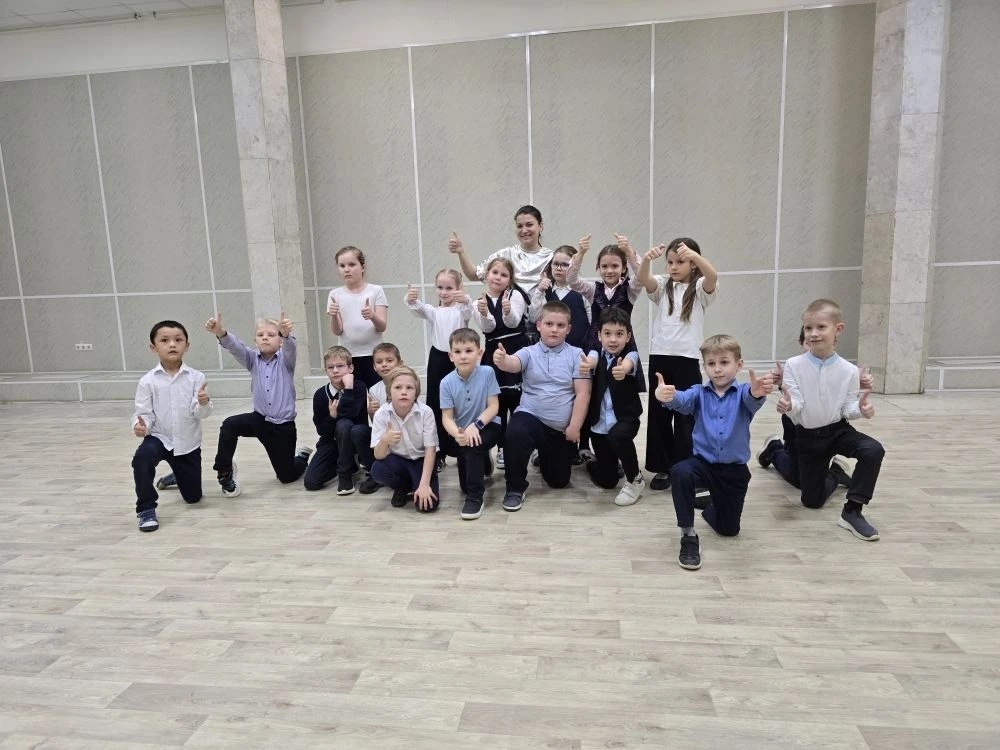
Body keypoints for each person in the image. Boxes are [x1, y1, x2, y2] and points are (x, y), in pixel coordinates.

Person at [655, 335, 773, 570]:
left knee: (729, 530)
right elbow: (681, 400)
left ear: (739, 364)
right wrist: (667, 397)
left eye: (724, 362)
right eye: (711, 363)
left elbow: (752, 399)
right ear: (704, 367)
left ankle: (711, 505)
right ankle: (688, 535)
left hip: (734, 471)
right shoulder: (698, 393)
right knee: (680, 472)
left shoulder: (744, 394)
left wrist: (758, 393)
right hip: (703, 465)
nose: (717, 369)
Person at [775, 299, 884, 541]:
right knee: (811, 502)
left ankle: (852, 510)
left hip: (838, 431)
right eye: (808, 328)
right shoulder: (794, 365)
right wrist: (789, 406)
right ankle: (835, 473)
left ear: (838, 329)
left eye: (821, 327)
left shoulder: (848, 370)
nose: (813, 333)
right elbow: (797, 404)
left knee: (873, 449)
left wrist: (861, 409)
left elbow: (847, 409)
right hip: (808, 438)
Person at [492, 300, 592, 512]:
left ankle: (542, 454)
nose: (554, 329)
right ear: (539, 325)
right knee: (515, 432)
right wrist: (502, 360)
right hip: (531, 415)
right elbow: (512, 363)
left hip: (559, 429)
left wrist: (575, 427)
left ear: (568, 329)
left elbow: (583, 393)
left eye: (560, 325)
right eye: (549, 324)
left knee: (558, 481)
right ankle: (515, 488)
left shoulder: (577, 355)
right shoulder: (528, 352)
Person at [637, 238, 719, 491]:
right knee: (659, 413)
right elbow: (643, 279)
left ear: (692, 264)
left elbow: (712, 275)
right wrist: (647, 260)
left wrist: (695, 256)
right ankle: (662, 467)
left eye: (680, 262)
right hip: (660, 356)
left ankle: (684, 467)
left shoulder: (700, 288)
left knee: (686, 415)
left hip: (688, 358)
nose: (673, 266)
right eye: (670, 262)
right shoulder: (663, 285)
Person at [206, 311, 312, 496]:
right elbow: (236, 347)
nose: (265, 338)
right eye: (260, 335)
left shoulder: (286, 360)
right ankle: (224, 470)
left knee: (286, 477)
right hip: (260, 420)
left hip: (283, 427)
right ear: (255, 341)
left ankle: (301, 457)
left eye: (271, 335)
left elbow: (290, 347)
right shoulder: (252, 359)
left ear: (279, 341)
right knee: (229, 425)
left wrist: (285, 334)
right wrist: (220, 332)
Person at [757, 327, 872, 493]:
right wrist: (782, 383)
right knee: (799, 481)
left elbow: (842, 397)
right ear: (801, 343)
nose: (814, 345)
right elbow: (794, 398)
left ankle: (832, 470)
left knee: (810, 481)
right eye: (808, 342)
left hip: (824, 433)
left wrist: (859, 383)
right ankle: (775, 448)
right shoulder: (795, 366)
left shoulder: (841, 368)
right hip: (797, 430)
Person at [566, 233, 645, 463]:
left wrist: (629, 250)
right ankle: (586, 445)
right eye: (604, 266)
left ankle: (618, 444)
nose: (609, 270)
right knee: (591, 393)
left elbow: (642, 275)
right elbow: (572, 280)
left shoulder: (630, 289)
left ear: (623, 268)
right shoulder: (593, 289)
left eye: (615, 266)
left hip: (623, 347)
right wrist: (580, 253)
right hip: (594, 345)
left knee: (619, 393)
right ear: (598, 268)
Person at [131, 320, 212, 532]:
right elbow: (143, 414)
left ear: (187, 345)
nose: (172, 344)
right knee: (141, 458)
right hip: (159, 438)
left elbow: (200, 414)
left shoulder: (196, 377)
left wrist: (203, 403)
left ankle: (177, 474)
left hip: (187, 443)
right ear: (153, 347)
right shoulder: (147, 381)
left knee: (193, 498)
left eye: (178, 340)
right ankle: (146, 509)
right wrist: (140, 426)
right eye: (165, 340)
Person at [405, 269, 472, 470]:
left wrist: (466, 299)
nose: (444, 292)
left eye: (449, 288)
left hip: (458, 359)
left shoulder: (462, 309)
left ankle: (464, 448)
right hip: (438, 359)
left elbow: (469, 309)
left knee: (461, 404)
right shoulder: (433, 311)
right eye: (440, 287)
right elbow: (418, 308)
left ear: (459, 288)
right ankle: (438, 452)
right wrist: (411, 299)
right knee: (436, 404)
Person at [579, 308, 646, 507]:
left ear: (628, 336)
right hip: (599, 427)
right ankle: (593, 462)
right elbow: (591, 360)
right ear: (599, 335)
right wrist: (588, 364)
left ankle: (635, 479)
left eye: (619, 334)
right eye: (607, 333)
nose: (613, 339)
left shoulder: (631, 355)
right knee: (607, 482)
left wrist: (622, 369)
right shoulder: (595, 353)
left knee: (619, 435)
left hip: (625, 419)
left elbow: (628, 363)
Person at [470, 256, 530, 471]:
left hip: (516, 349)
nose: (498, 277)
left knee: (518, 399)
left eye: (504, 275)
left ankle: (520, 445)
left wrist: (507, 310)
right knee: (498, 401)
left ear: (510, 279)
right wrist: (484, 313)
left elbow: (513, 322)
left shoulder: (516, 295)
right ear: (487, 274)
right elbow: (488, 328)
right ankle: (502, 447)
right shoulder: (477, 302)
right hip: (493, 352)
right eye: (494, 272)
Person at [439, 328, 502, 520]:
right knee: (464, 485)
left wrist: (477, 425)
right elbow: (447, 418)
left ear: (479, 353)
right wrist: (457, 434)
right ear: (451, 356)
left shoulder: (488, 372)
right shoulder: (446, 383)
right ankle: (482, 461)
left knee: (473, 445)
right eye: (457, 352)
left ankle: (475, 498)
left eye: (468, 350)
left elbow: (494, 407)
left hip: (488, 424)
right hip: (464, 432)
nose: (463, 356)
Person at [304, 346, 373, 495]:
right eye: (330, 367)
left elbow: (351, 415)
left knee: (344, 424)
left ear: (350, 368)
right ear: (326, 370)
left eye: (340, 366)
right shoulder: (320, 395)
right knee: (311, 482)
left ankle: (345, 476)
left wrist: (348, 389)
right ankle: (349, 464)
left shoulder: (359, 387)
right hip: (332, 443)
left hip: (356, 439)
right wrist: (332, 417)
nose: (335, 370)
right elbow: (322, 431)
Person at [369, 366, 440, 512]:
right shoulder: (381, 414)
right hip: (398, 461)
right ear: (389, 392)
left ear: (416, 393)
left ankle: (418, 484)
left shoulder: (426, 412)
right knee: (377, 470)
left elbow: (431, 450)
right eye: (398, 387)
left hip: (422, 461)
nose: (403, 392)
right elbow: (378, 455)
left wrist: (424, 485)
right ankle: (402, 487)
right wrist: (385, 440)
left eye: (409, 388)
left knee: (428, 505)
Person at [448, 205, 553, 296]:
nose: (524, 230)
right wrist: (461, 252)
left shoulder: (551, 257)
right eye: (519, 226)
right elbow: (474, 275)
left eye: (529, 225)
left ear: (541, 226)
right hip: (509, 312)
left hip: (543, 313)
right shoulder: (506, 254)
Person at [327, 245, 388, 388]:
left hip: (373, 354)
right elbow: (337, 331)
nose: (346, 269)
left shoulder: (376, 291)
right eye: (342, 266)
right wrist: (334, 315)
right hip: (347, 356)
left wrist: (372, 315)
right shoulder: (335, 294)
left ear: (363, 267)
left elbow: (382, 326)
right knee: (353, 394)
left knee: (376, 393)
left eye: (352, 264)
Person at [360, 342, 404, 495]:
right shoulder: (374, 390)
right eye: (379, 362)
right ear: (374, 366)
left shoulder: (408, 384)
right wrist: (371, 412)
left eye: (389, 360)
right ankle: (374, 471)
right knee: (360, 432)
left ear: (400, 363)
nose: (384, 365)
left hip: (404, 435)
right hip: (385, 436)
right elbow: (376, 424)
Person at [528, 244, 590, 345]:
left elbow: (592, 323)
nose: (559, 268)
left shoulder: (583, 290)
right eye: (555, 264)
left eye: (565, 265)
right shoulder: (545, 290)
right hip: (548, 349)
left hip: (578, 349)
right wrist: (539, 291)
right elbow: (533, 318)